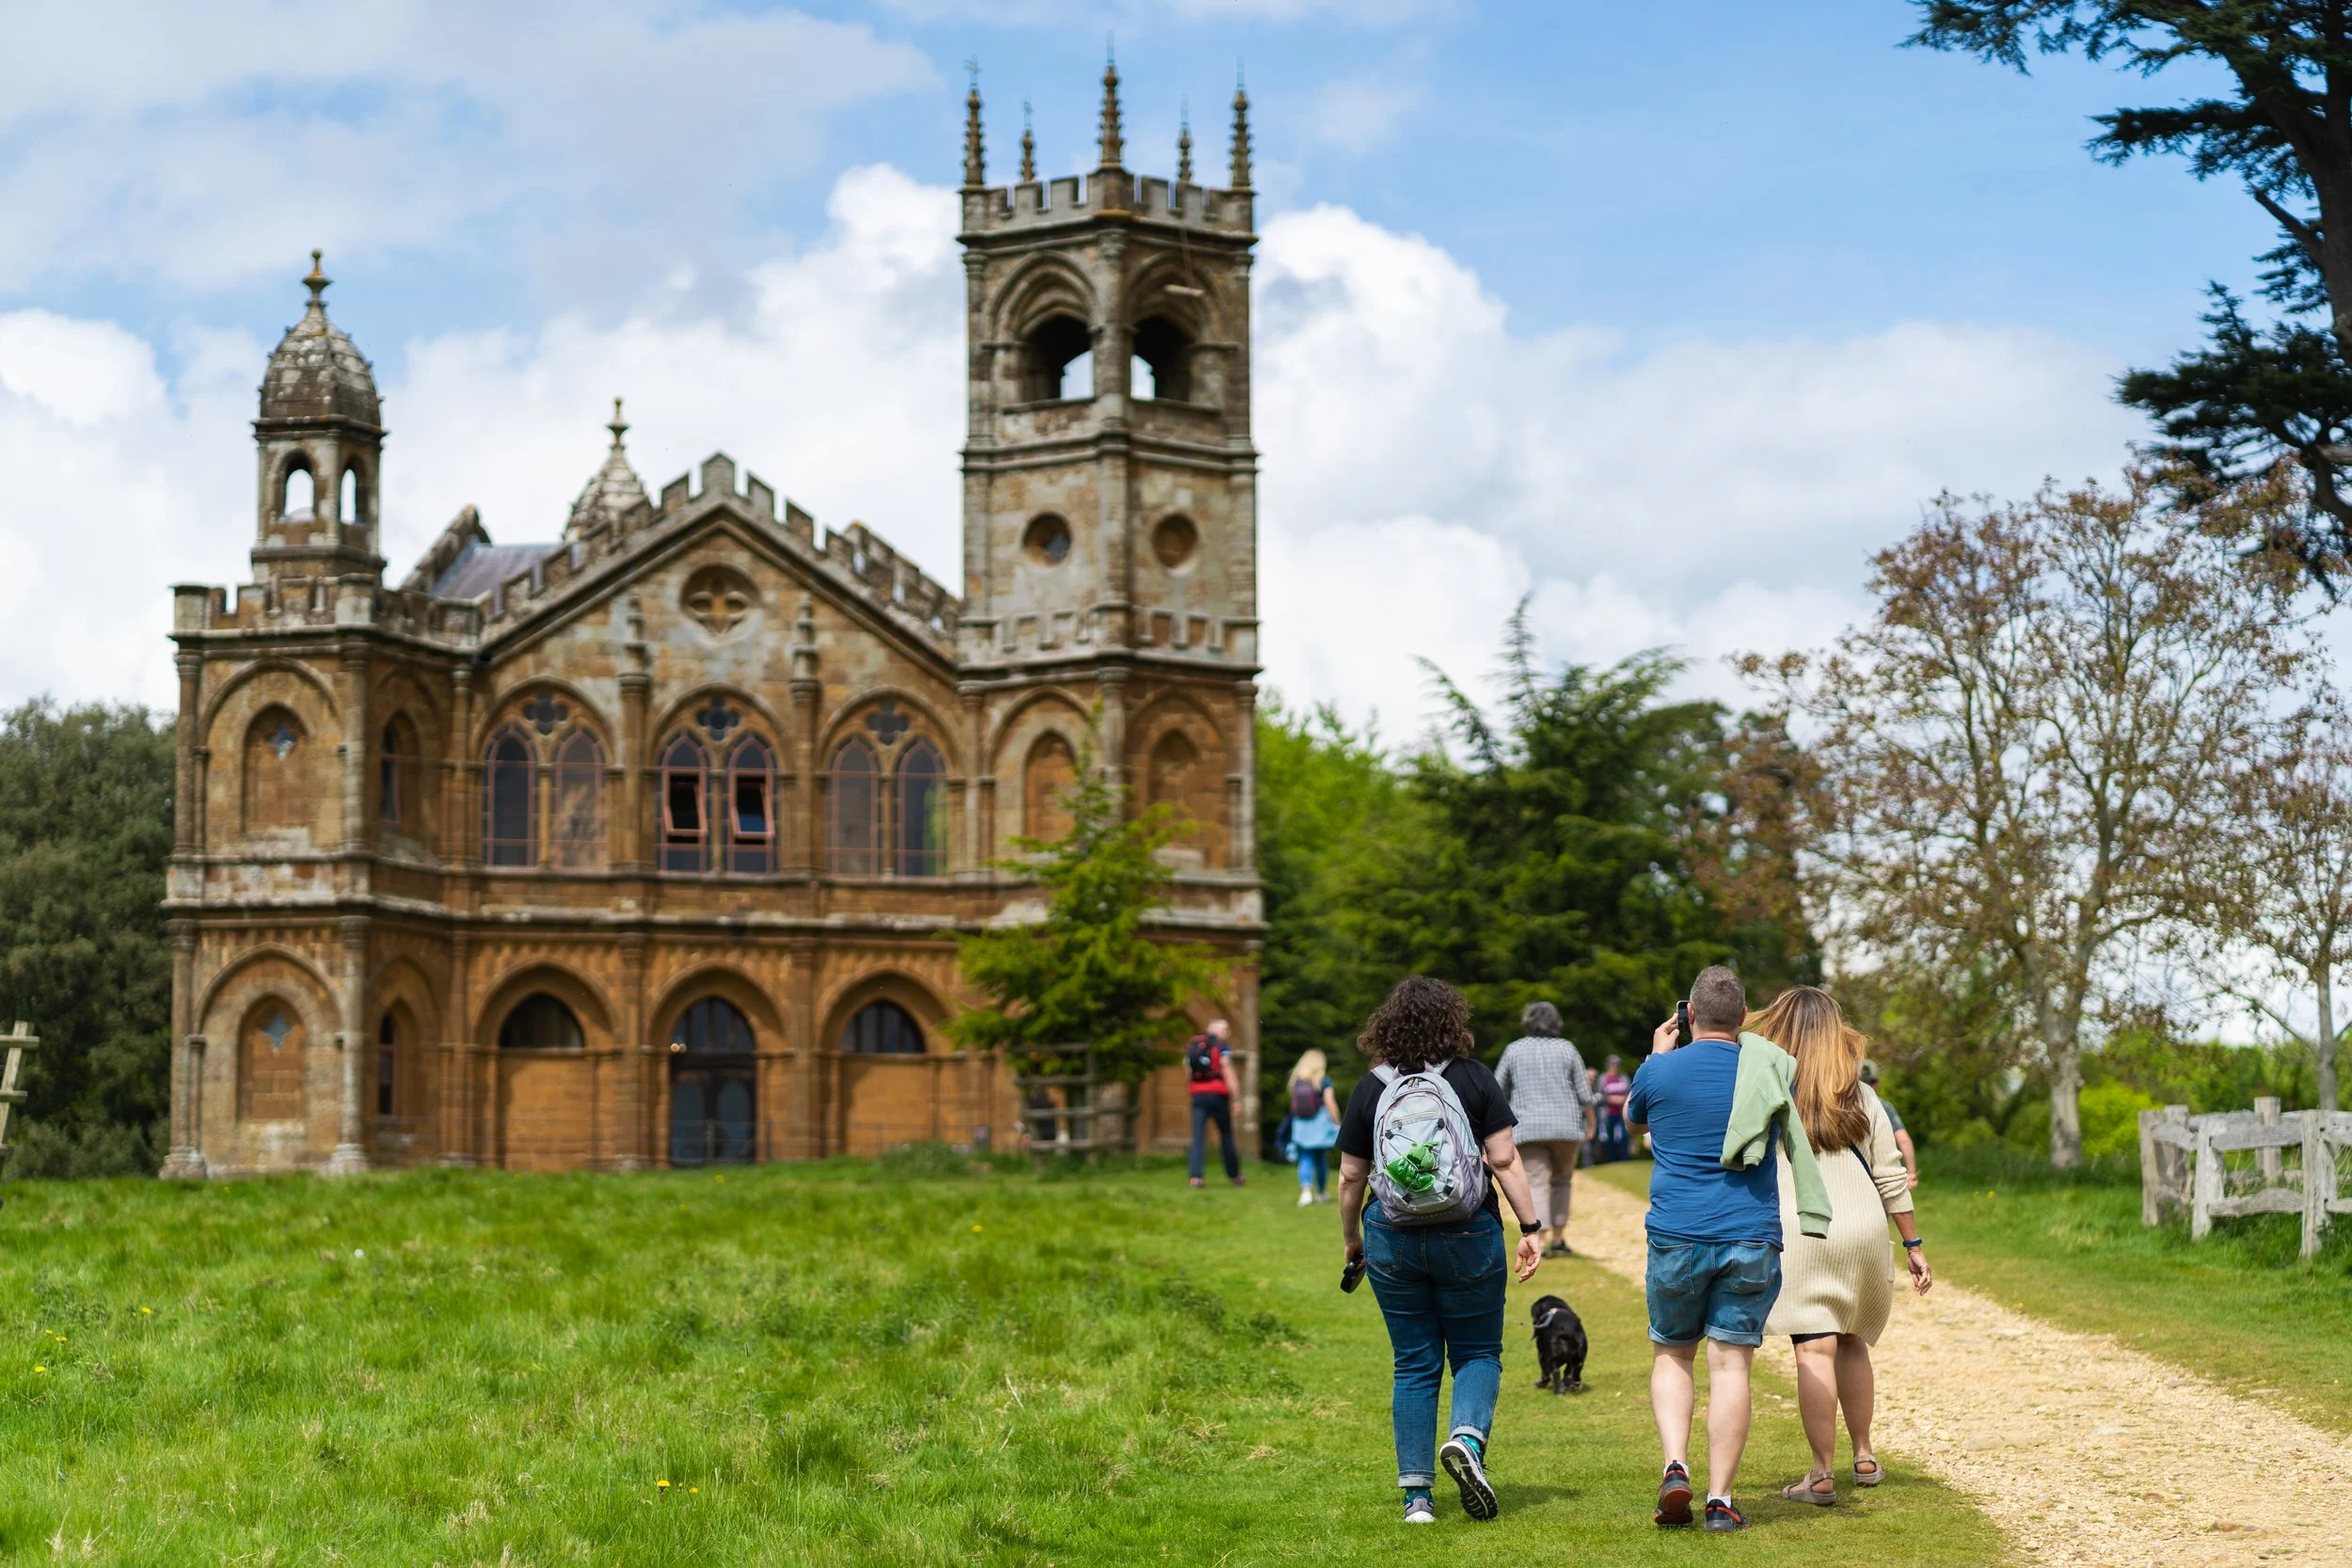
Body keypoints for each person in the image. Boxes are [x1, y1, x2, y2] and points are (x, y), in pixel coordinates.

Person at [1626, 965, 1828, 1535]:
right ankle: (1720, 1500)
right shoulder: (1766, 1070)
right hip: (1749, 1235)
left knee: (1673, 1353)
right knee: (1731, 1363)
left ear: (1688, 1015)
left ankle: (1674, 1466)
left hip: (1676, 1235)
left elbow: (1632, 1116)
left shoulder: (1658, 1071)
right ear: (1743, 1019)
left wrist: (1656, 1055)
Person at [1338, 976, 1545, 1526]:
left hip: (1391, 1236)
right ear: (1453, 1022)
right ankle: (1468, 1443)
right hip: (1468, 1233)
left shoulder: (1371, 1088)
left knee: (1414, 1363)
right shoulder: (1475, 1080)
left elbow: (1350, 1176)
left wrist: (1353, 1240)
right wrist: (1531, 1226)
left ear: (1387, 1025)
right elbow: (1503, 1161)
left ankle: (1417, 1500)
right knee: (1477, 1352)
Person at [1752, 989, 1932, 1504]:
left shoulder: (1768, 1087)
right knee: (1853, 1340)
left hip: (1800, 1226)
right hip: (1862, 1227)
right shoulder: (1862, 1094)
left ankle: (1821, 1472)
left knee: (1813, 1346)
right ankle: (1865, 1454)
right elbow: (1891, 1174)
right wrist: (1913, 1243)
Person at [1494, 1001, 1597, 1257]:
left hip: (1527, 1127)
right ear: (1556, 1023)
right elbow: (1584, 1093)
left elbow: (1496, 1089)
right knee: (1562, 1181)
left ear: (1527, 1021)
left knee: (1536, 1182)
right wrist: (1592, 1123)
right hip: (1566, 1127)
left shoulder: (1514, 1050)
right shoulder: (1567, 1049)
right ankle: (1559, 1240)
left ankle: (1538, 1240)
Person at [1185, 1019, 1245, 1189]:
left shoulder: (1194, 1045)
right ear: (1217, 1030)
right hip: (1218, 1095)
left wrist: (1192, 1089)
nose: (1228, 1033)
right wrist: (1236, 1099)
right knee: (1226, 1135)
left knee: (1198, 1136)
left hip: (1198, 1095)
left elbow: (1188, 1071)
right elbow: (1228, 1071)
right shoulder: (1222, 1047)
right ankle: (1234, 1175)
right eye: (1226, 1029)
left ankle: (1196, 1177)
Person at [1285, 1049, 1343, 1205]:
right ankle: (1321, 1192)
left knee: (1305, 1157)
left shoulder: (1296, 1081)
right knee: (1320, 1158)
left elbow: (1293, 1104)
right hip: (1319, 1123)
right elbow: (1330, 1103)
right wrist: (1338, 1122)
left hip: (1301, 1123)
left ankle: (1305, 1192)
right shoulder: (1323, 1080)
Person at [1859, 1060, 1920, 1191]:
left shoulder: (1839, 1108)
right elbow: (1904, 1140)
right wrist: (1911, 1174)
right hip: (1882, 1176)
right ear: (1877, 1085)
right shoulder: (1885, 1108)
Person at [1596, 1053, 1633, 1163]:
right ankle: (1610, 1160)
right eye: (1613, 1064)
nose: (1615, 1066)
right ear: (1608, 1065)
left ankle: (1624, 1160)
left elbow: (1630, 1093)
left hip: (1622, 1112)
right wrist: (1608, 1099)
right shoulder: (1603, 1078)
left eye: (1617, 1064)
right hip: (1607, 1113)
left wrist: (1623, 1099)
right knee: (1609, 1138)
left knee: (1624, 1137)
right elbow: (1598, 1095)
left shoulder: (1623, 1077)